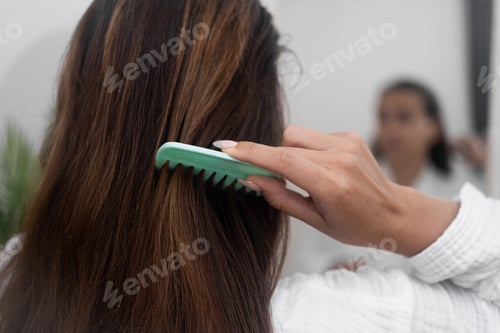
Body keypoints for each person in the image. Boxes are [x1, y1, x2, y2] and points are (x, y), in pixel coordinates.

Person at [1, 1, 499, 333]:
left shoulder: (14, 277)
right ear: (261, 121)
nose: (390, 128)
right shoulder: (331, 317)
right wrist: (397, 216)